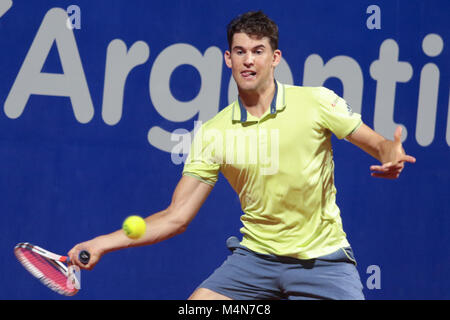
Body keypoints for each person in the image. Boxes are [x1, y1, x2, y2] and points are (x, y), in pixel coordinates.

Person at [68, 11, 416, 300]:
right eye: (240, 51)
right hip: (255, 263)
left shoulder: (317, 103)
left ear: (275, 58)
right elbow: (176, 216)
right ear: (228, 58)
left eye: (259, 51)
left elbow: (379, 144)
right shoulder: (214, 133)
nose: (249, 60)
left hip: (322, 262)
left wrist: (392, 151)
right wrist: (102, 243)